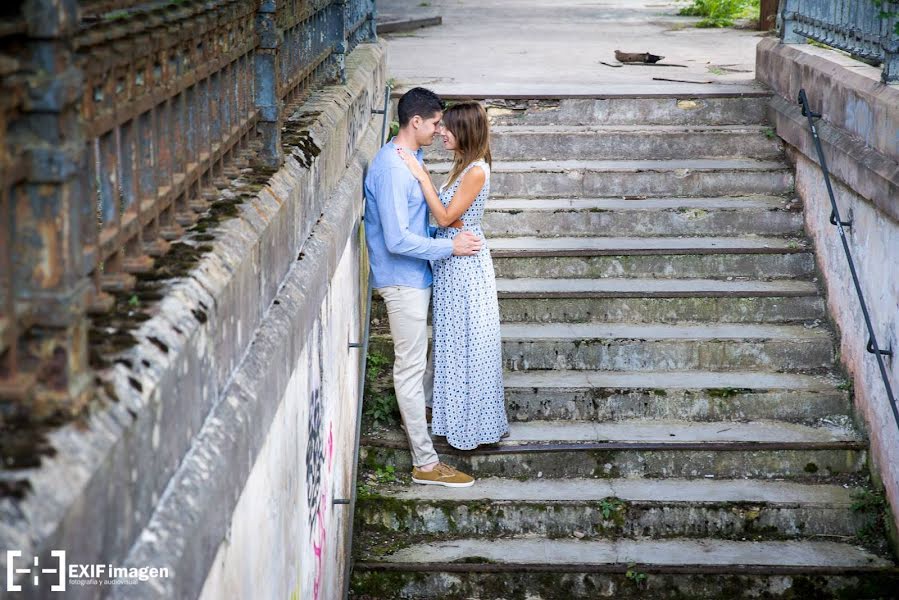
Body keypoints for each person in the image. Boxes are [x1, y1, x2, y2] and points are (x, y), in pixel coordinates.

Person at [363, 87, 481, 488]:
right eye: (434, 123)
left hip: (417, 277)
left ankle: (430, 425)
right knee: (410, 370)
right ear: (416, 122)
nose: (439, 129)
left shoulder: (411, 159)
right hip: (402, 282)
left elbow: (414, 224)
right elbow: (397, 239)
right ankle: (425, 464)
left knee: (421, 364)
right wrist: (450, 246)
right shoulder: (395, 169)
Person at [396, 100, 509, 452]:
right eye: (440, 125)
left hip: (464, 265)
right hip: (452, 260)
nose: (441, 131)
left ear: (464, 131)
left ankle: (471, 424)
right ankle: (453, 417)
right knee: (454, 343)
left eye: (447, 127)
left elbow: (445, 218)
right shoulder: (462, 167)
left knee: (468, 344)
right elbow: (451, 218)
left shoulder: (475, 170)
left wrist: (420, 175)